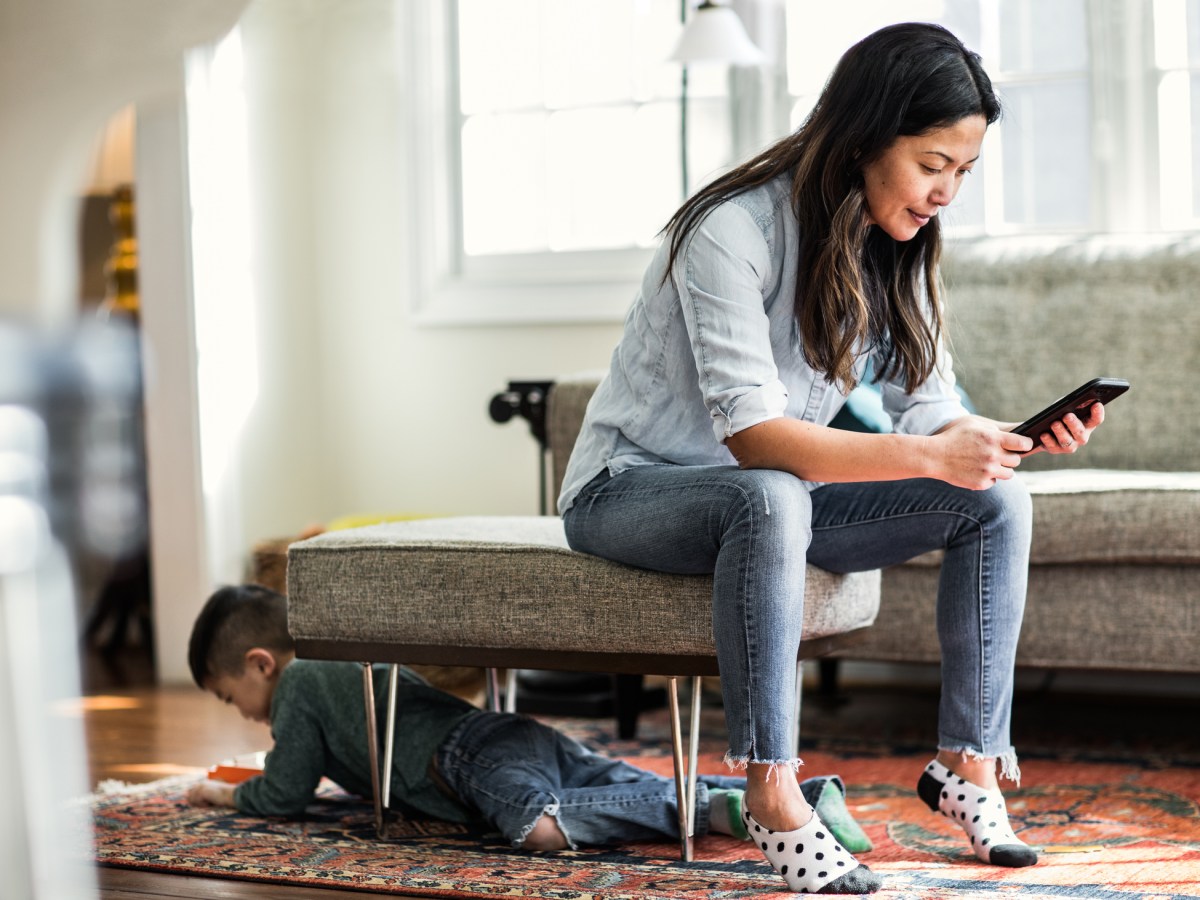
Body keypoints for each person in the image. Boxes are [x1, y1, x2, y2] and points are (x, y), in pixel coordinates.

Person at [559, 21, 1108, 894]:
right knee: (771, 493)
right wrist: (930, 455)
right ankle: (772, 792)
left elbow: (931, 407)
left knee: (997, 501)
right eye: (933, 165)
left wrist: (997, 443)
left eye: (963, 171)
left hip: (776, 498)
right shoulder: (730, 231)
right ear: (863, 136)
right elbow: (753, 439)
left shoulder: (900, 251)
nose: (946, 193)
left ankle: (967, 770)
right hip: (629, 490)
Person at [185, 583, 867, 851]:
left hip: (467, 762)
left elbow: (286, 789)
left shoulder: (300, 683)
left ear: (260, 664)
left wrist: (224, 791)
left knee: (543, 829)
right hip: (502, 736)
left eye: (227, 696)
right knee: (611, 782)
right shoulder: (347, 664)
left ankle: (719, 814)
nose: (240, 714)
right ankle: (794, 802)